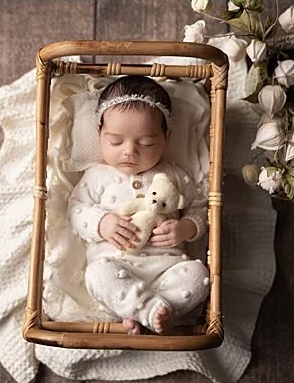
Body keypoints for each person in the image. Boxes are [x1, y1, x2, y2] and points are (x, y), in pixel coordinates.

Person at [69, 75, 210, 335]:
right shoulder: (97, 175)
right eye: (115, 141)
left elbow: (200, 207)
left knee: (199, 275)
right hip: (116, 267)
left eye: (146, 143)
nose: (129, 151)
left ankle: (142, 311)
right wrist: (102, 223)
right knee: (97, 274)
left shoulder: (175, 174)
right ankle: (152, 311)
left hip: (168, 269)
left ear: (166, 137)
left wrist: (186, 228)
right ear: (99, 133)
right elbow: (76, 210)